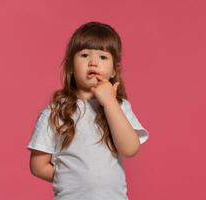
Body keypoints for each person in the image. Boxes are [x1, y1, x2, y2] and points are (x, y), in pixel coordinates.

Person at [26, 21, 150, 200]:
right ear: (70, 66)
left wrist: (109, 102)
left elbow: (130, 149)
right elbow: (38, 166)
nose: (93, 63)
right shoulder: (55, 112)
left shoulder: (119, 106)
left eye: (103, 57)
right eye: (84, 55)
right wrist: (73, 181)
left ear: (115, 70)